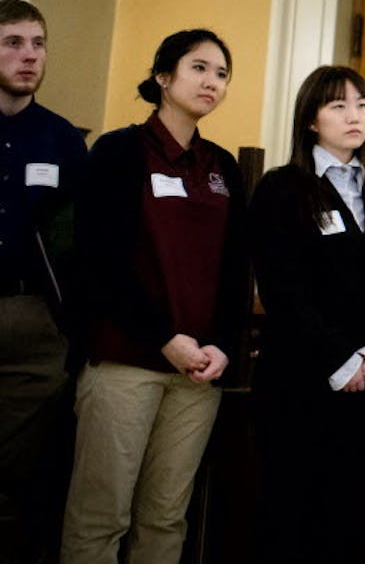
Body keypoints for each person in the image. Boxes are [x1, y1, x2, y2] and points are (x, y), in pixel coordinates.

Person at [61, 29, 248, 564]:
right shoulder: (119, 151)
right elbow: (101, 263)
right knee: (102, 515)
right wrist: (166, 338)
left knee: (166, 519)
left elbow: (236, 270)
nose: (212, 82)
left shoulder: (222, 166)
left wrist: (219, 345)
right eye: (199, 68)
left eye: (221, 73)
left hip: (199, 371)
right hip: (127, 358)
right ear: (164, 78)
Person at [249, 65, 365, 564]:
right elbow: (284, 291)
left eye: (362, 104)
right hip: (300, 379)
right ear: (311, 119)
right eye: (338, 105)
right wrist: (341, 362)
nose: (354, 115)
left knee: (350, 515)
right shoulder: (283, 187)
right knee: (291, 515)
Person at [0, 0, 88, 564]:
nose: (29, 56)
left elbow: (81, 242)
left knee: (18, 474)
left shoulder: (62, 140)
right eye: (13, 43)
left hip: (34, 324)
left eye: (38, 43)